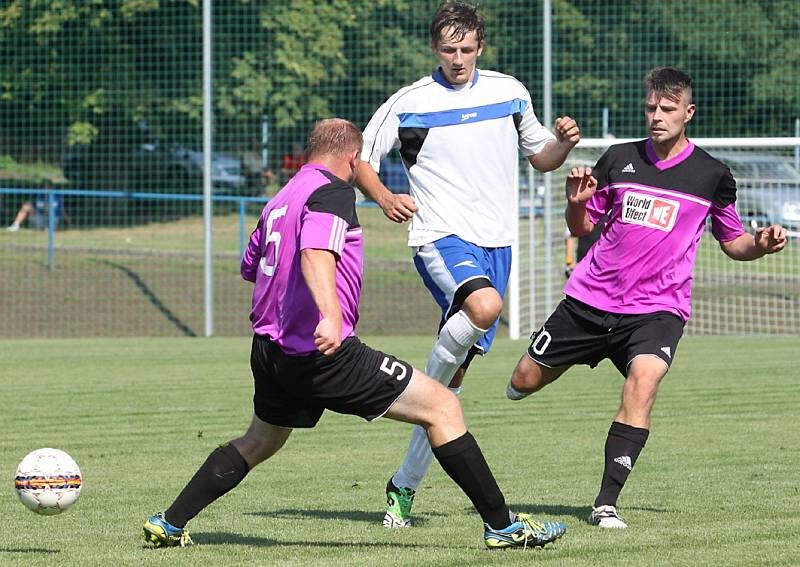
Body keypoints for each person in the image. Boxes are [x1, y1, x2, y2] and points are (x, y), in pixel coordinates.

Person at [142, 118, 567, 550]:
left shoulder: (282, 198)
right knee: (441, 406)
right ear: (352, 158)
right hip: (322, 352)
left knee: (259, 441)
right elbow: (315, 251)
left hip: (271, 350)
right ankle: (503, 526)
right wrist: (328, 313)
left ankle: (170, 522)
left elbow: (251, 266)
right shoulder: (333, 190)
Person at [506, 67, 788, 529]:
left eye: (668, 109)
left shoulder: (712, 176)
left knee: (644, 384)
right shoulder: (618, 159)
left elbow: (734, 242)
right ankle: (554, 365)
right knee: (523, 380)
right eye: (651, 108)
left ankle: (605, 503)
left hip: (658, 310)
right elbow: (579, 229)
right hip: (590, 300)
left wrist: (761, 243)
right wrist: (576, 201)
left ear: (688, 113)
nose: (656, 116)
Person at [356, 0, 580, 528]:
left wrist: (564, 146)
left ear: (481, 46)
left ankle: (402, 485)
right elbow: (360, 157)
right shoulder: (411, 101)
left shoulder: (509, 93)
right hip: (440, 238)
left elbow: (540, 157)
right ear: (435, 48)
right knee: (485, 304)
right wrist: (385, 197)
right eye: (448, 49)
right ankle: (409, 387)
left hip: (497, 245)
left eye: (466, 48)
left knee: (449, 385)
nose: (457, 58)